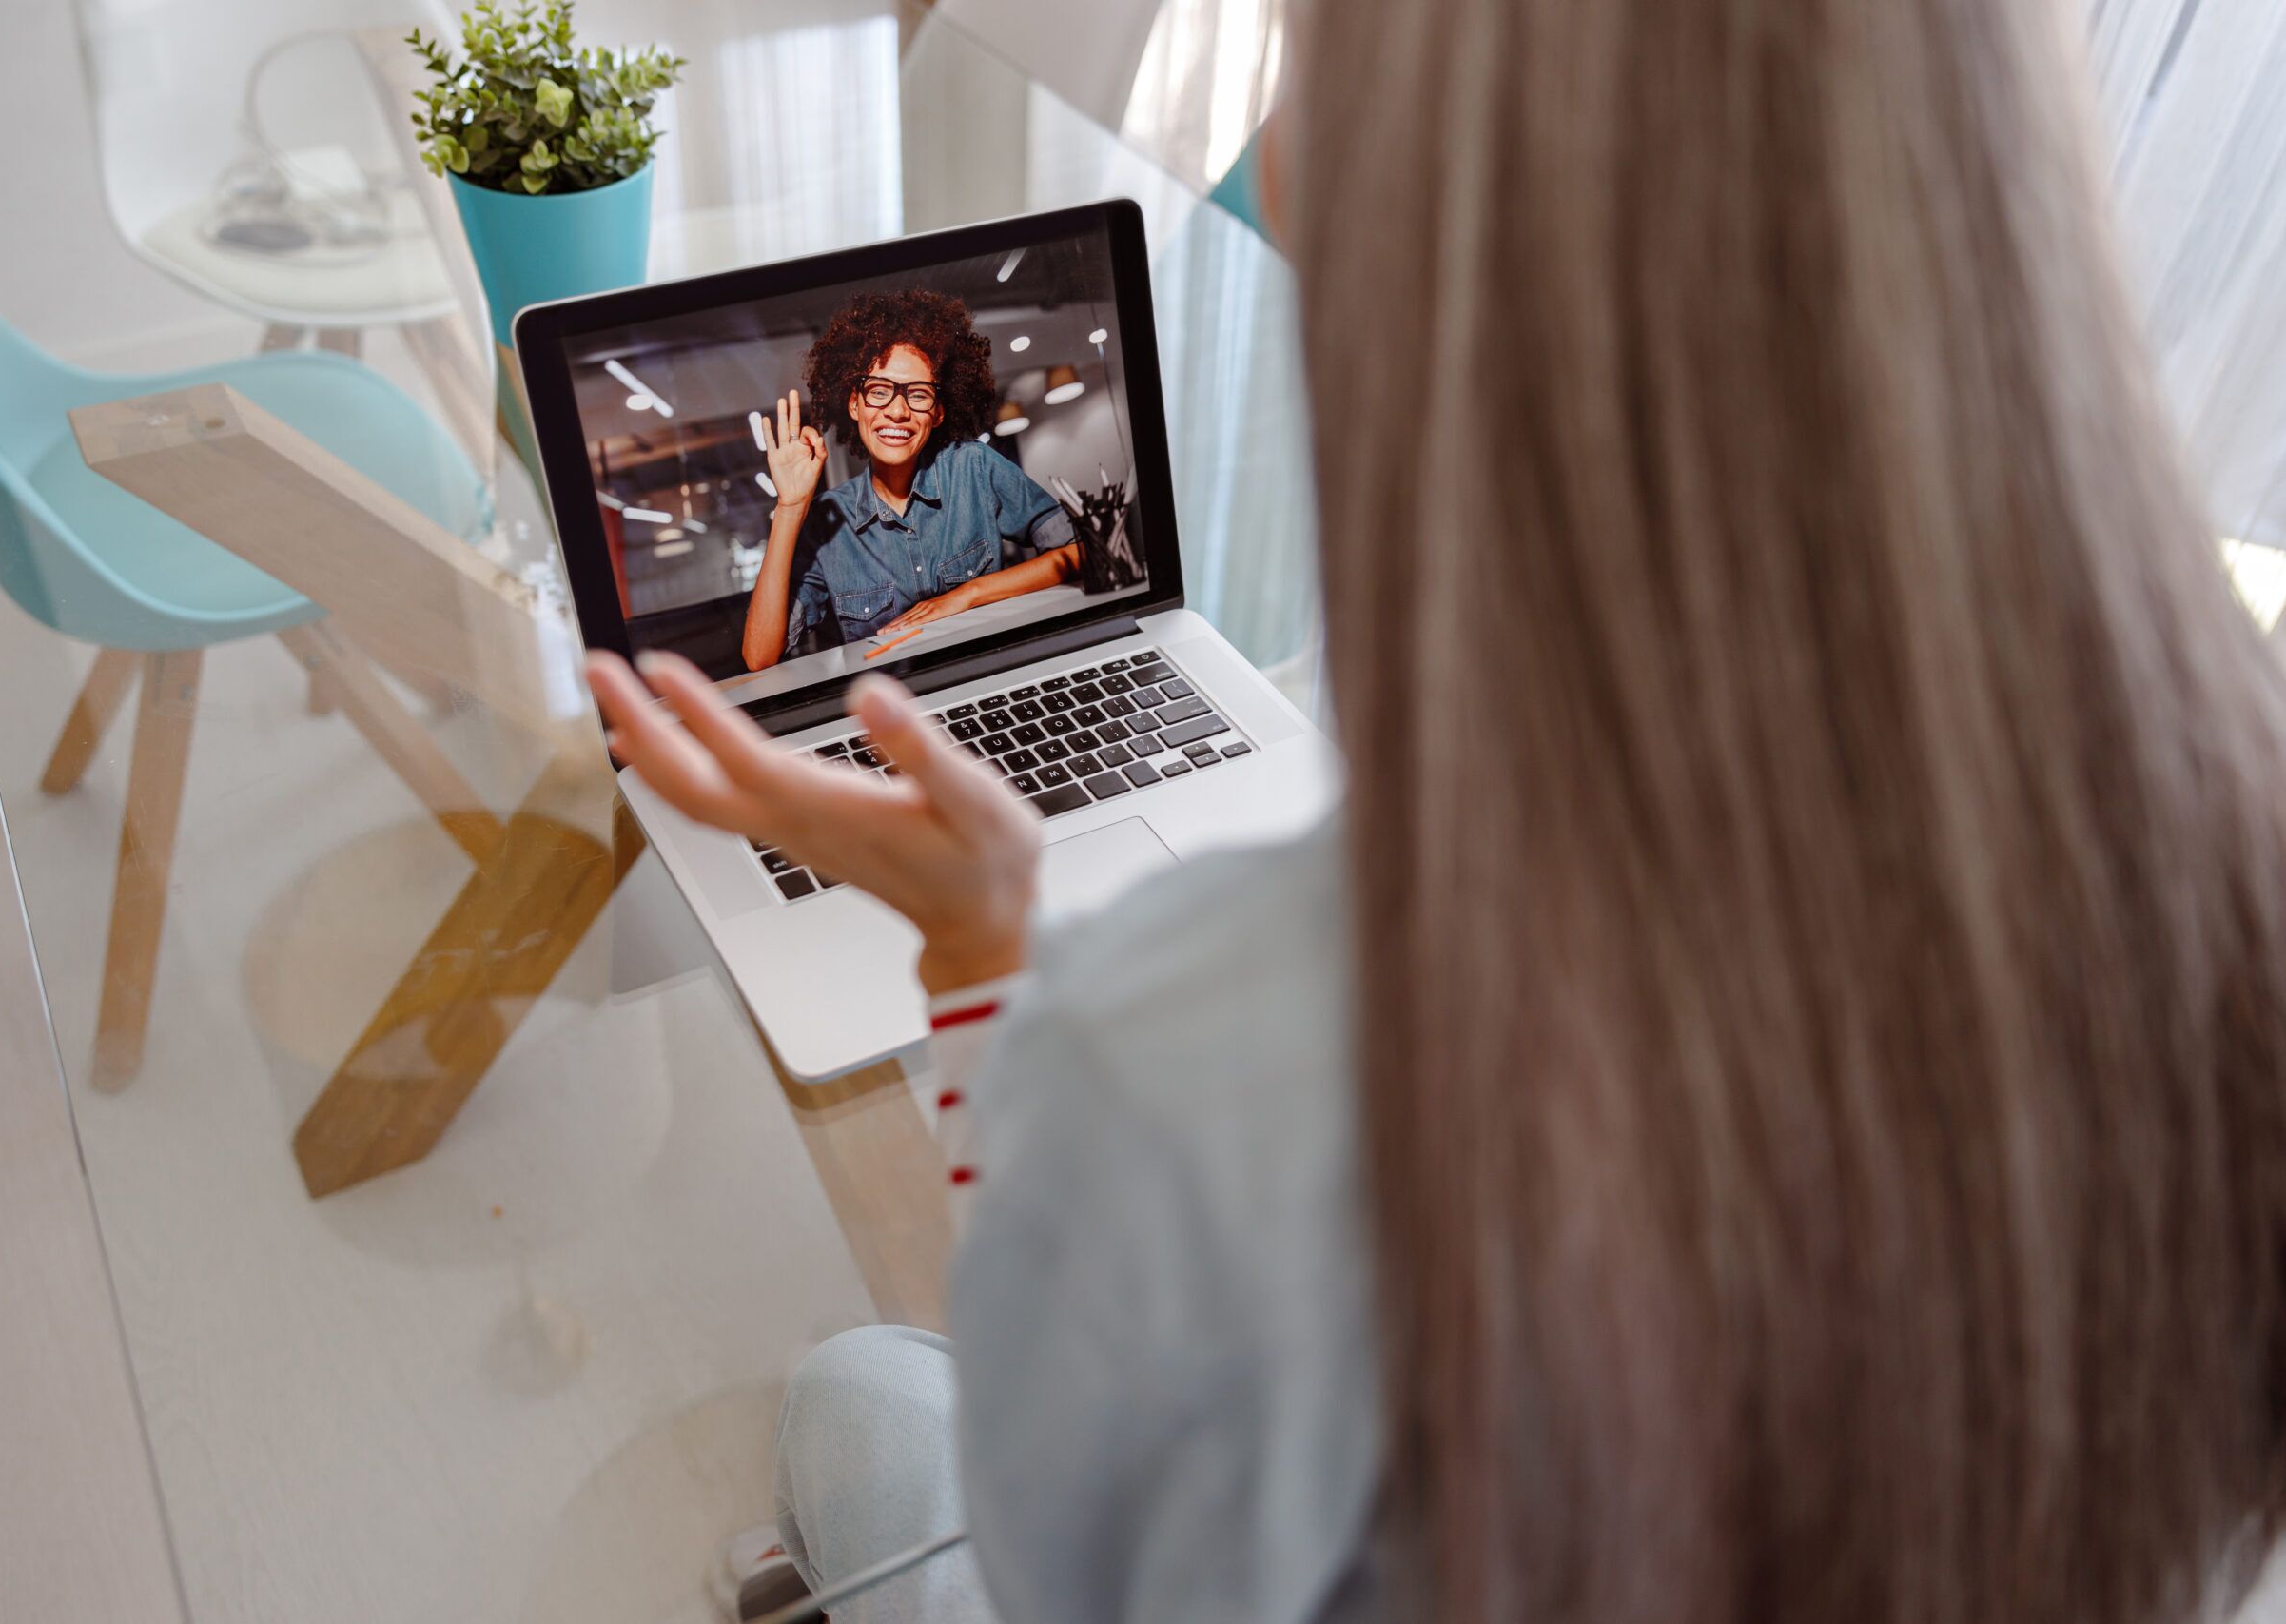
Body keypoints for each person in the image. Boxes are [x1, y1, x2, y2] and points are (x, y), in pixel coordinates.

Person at [593, 0, 2286, 1619]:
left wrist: (984, 947)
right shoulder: (2234, 841)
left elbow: (1084, 1578)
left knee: (854, 1394)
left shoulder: (1206, 1047)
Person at [739, 288, 1084, 671]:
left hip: (995, 681)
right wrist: (790, 507)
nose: (898, 411)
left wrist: (968, 595)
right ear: (855, 403)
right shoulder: (828, 522)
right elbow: (760, 656)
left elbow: (1079, 551)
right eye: (879, 391)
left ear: (937, 413)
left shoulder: (974, 467)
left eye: (918, 394)